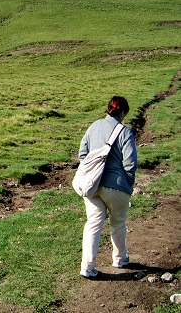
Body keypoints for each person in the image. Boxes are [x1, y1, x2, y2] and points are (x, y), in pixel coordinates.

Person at [78, 96, 138, 278]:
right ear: (123, 112)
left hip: (92, 187)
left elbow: (82, 154)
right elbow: (130, 164)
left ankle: (87, 268)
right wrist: (128, 183)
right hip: (116, 186)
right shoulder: (125, 132)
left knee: (93, 224)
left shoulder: (93, 126)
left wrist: (92, 174)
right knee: (118, 222)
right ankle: (119, 259)